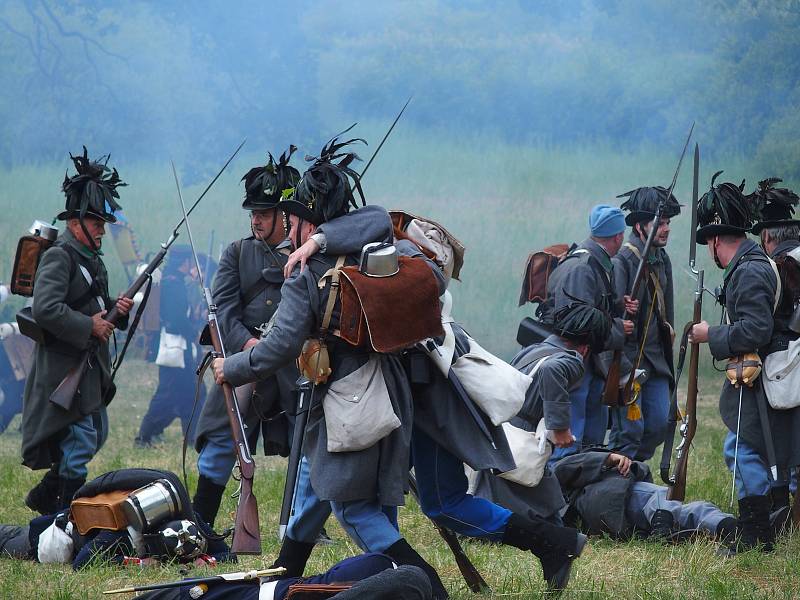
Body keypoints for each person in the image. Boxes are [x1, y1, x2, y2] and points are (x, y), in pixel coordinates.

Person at [211, 137, 449, 599]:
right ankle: (287, 570)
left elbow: (277, 348)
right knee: (331, 490)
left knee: (353, 508)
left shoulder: (308, 274)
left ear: (307, 222)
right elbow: (379, 219)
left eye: (296, 221)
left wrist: (231, 368)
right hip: (387, 388)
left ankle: (427, 588)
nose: (289, 229)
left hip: (345, 398)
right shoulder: (369, 250)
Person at [192, 148, 302, 528]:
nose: (256, 220)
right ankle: (200, 524)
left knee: (307, 446)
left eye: (264, 213)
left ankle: (303, 528)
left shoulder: (308, 255)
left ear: (286, 216)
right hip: (245, 366)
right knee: (223, 441)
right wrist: (247, 346)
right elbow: (222, 311)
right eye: (253, 213)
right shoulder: (237, 253)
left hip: (292, 367)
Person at [21, 147, 133, 515]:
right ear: (75, 223)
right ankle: (63, 517)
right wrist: (90, 325)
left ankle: (47, 495)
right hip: (63, 367)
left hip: (87, 367)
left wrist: (115, 311)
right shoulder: (61, 255)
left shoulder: (88, 258)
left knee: (94, 433)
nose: (102, 229)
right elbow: (45, 308)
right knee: (82, 441)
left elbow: (91, 305)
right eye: (97, 223)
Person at [688, 173, 784, 551]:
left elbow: (757, 330)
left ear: (713, 241)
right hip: (761, 376)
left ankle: (755, 535)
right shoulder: (751, 265)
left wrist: (710, 334)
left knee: (740, 450)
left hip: (763, 379)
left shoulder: (748, 271)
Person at [537, 204, 636, 459]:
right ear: (617, 237)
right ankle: (564, 491)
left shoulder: (595, 262)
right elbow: (577, 321)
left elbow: (593, 305)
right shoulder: (582, 267)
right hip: (574, 358)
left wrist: (618, 305)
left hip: (589, 360)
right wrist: (618, 328)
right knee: (572, 438)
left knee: (593, 432)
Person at [608, 187, 680, 461]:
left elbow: (667, 313)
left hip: (655, 359)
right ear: (639, 226)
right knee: (629, 432)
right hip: (628, 360)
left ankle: (635, 474)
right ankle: (616, 484)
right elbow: (614, 313)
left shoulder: (662, 259)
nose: (666, 229)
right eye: (659, 223)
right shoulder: (623, 261)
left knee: (659, 424)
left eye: (668, 223)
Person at [749, 177, 800, 513]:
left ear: (767, 237)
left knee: (781, 441)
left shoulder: (779, 267)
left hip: (786, 365)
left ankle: (781, 508)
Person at [135, 245, 205, 447]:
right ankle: (144, 436)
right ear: (184, 263)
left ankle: (191, 439)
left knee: (191, 394)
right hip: (173, 347)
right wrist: (193, 332)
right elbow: (176, 320)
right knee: (169, 395)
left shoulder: (174, 282)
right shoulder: (173, 285)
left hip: (177, 348)